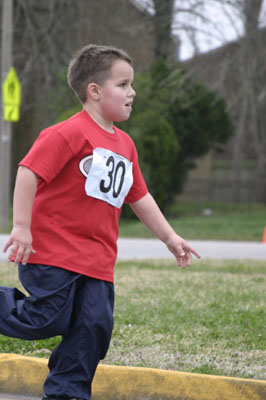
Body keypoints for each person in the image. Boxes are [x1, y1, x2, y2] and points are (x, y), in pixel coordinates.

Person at [1, 44, 200, 400]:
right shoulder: (67, 133)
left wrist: (170, 237)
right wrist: (21, 227)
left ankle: (67, 393)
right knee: (44, 319)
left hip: (97, 261)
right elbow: (29, 172)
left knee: (91, 330)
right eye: (123, 85)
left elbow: (139, 196)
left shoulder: (125, 145)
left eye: (131, 85)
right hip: (53, 253)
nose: (132, 93)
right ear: (94, 91)